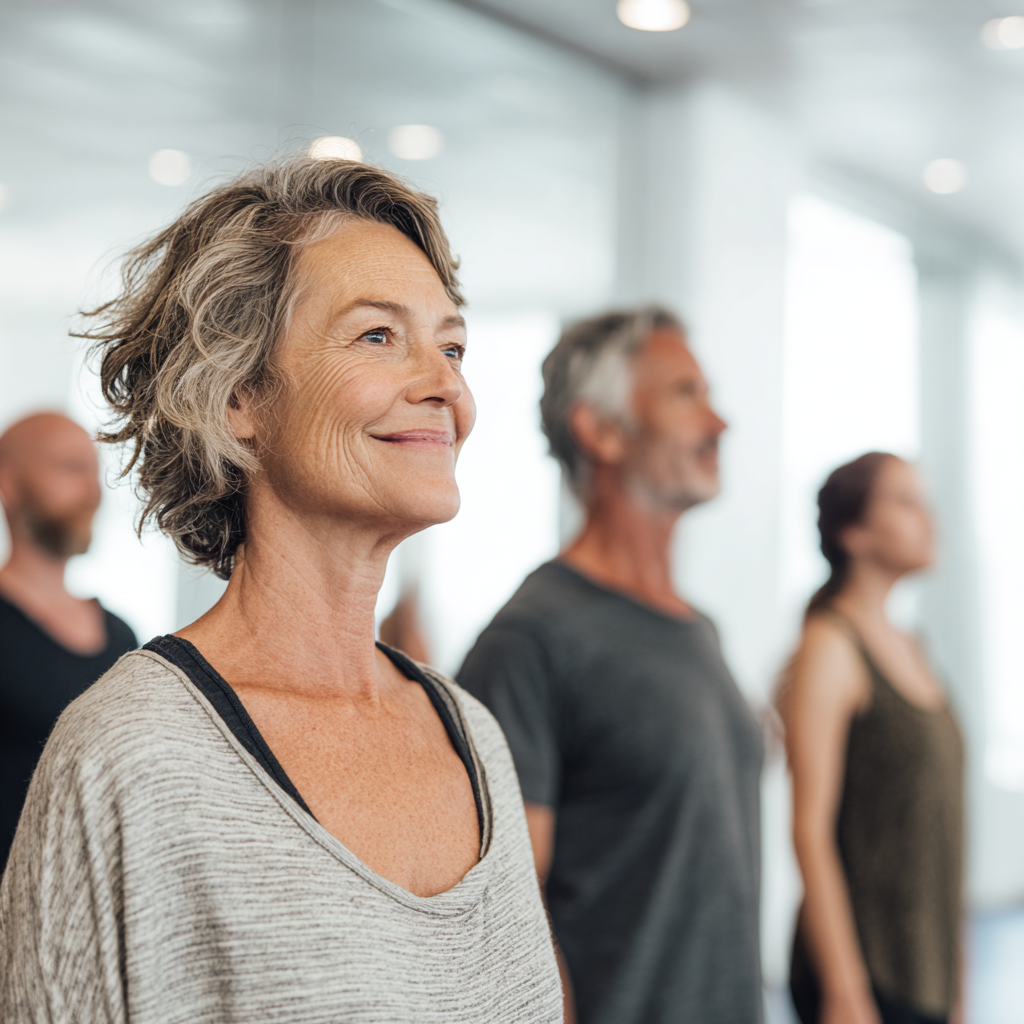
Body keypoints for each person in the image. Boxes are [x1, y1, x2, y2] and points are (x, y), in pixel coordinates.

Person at [0, 157, 561, 1022]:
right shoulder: (127, 756)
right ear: (236, 396)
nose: (445, 384)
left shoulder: (471, 734)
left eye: (451, 346)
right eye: (378, 336)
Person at [457, 308, 765, 1024]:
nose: (719, 423)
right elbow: (508, 917)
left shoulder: (700, 631)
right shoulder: (531, 638)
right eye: (686, 395)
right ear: (602, 430)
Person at [778, 453, 963, 1024]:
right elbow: (809, 831)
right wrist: (844, 991)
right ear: (852, 531)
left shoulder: (915, 646)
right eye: (906, 502)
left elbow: (943, 832)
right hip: (867, 977)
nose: (929, 521)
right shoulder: (829, 647)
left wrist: (956, 984)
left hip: (925, 972)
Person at [0, 412, 136, 867]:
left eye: (93, 471)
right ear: (9, 484)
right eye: (69, 468)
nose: (92, 492)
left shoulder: (121, 636)